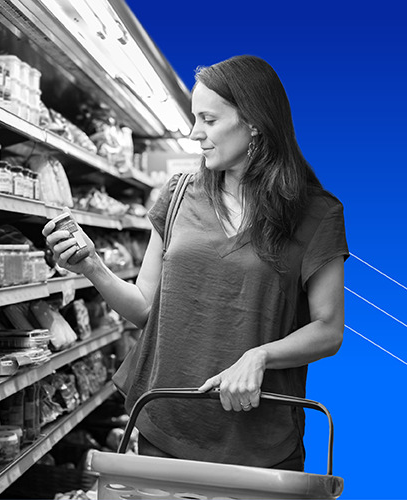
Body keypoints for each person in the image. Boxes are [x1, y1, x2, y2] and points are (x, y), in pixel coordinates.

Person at [43, 55, 347, 471]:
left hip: (261, 441)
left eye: (208, 119)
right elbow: (145, 308)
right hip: (168, 424)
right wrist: (93, 265)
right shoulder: (179, 194)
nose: (194, 133)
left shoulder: (316, 213)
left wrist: (259, 356)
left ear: (255, 123)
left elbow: (328, 330)